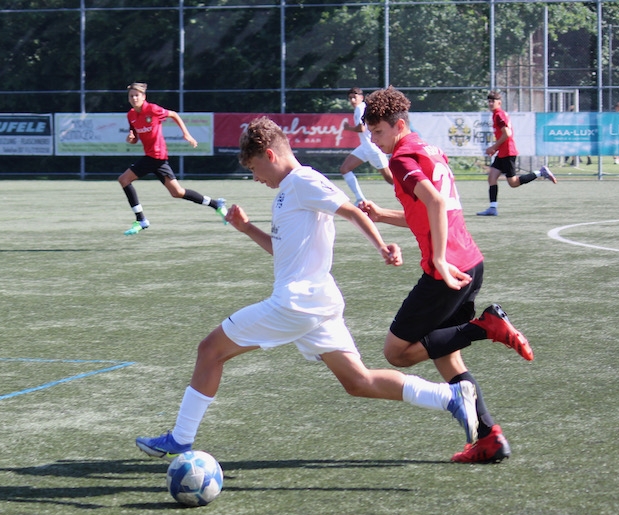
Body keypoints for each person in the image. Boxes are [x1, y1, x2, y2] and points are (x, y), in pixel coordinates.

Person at [135, 116, 482, 461]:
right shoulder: (288, 191)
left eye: (255, 169)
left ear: (270, 155)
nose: (256, 178)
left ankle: (180, 438)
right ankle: (451, 397)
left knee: (210, 350)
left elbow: (352, 212)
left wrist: (381, 247)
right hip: (317, 303)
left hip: (297, 303)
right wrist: (247, 228)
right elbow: (283, 251)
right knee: (358, 382)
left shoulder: (304, 180)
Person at [359, 86, 534, 464]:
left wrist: (438, 259)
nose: (374, 141)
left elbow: (436, 203)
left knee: (397, 353)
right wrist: (383, 215)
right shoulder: (428, 149)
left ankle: (485, 327)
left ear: (398, 125)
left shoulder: (401, 159)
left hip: (448, 270)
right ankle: (489, 438)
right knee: (446, 358)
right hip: (470, 262)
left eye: (378, 132)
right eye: (370, 133)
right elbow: (429, 211)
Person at [119, 82, 227, 235]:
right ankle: (216, 204)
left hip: (156, 156)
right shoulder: (131, 115)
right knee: (177, 192)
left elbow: (174, 114)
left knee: (124, 179)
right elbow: (134, 138)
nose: (134, 98)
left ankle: (141, 219)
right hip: (153, 158)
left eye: (137, 95)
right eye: (131, 96)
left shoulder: (153, 109)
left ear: (144, 97)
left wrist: (186, 134)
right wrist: (130, 139)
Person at [476, 91, 557, 217]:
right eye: (489, 101)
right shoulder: (497, 114)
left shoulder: (499, 115)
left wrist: (493, 147)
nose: (491, 103)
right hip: (502, 152)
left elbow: (507, 134)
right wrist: (496, 149)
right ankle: (492, 208)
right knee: (492, 177)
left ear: (499, 103)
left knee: (513, 183)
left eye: (493, 101)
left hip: (508, 152)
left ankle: (541, 172)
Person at [340, 86, 394, 204]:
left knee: (389, 178)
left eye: (354, 97)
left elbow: (361, 128)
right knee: (345, 169)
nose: (352, 100)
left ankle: (410, 195)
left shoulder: (361, 108)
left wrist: (348, 128)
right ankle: (360, 199)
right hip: (365, 147)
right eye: (350, 98)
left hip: (372, 147)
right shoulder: (359, 108)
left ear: (361, 97)